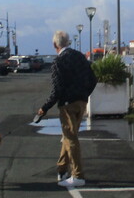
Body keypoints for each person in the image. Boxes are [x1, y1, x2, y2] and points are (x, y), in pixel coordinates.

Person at [37, 30, 97, 188]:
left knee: (70, 139)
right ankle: (62, 169)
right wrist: (84, 95)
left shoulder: (58, 62)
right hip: (81, 102)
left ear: (55, 44)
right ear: (68, 42)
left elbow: (57, 90)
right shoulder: (80, 56)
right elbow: (93, 79)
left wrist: (44, 108)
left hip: (67, 104)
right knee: (69, 136)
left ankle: (78, 175)